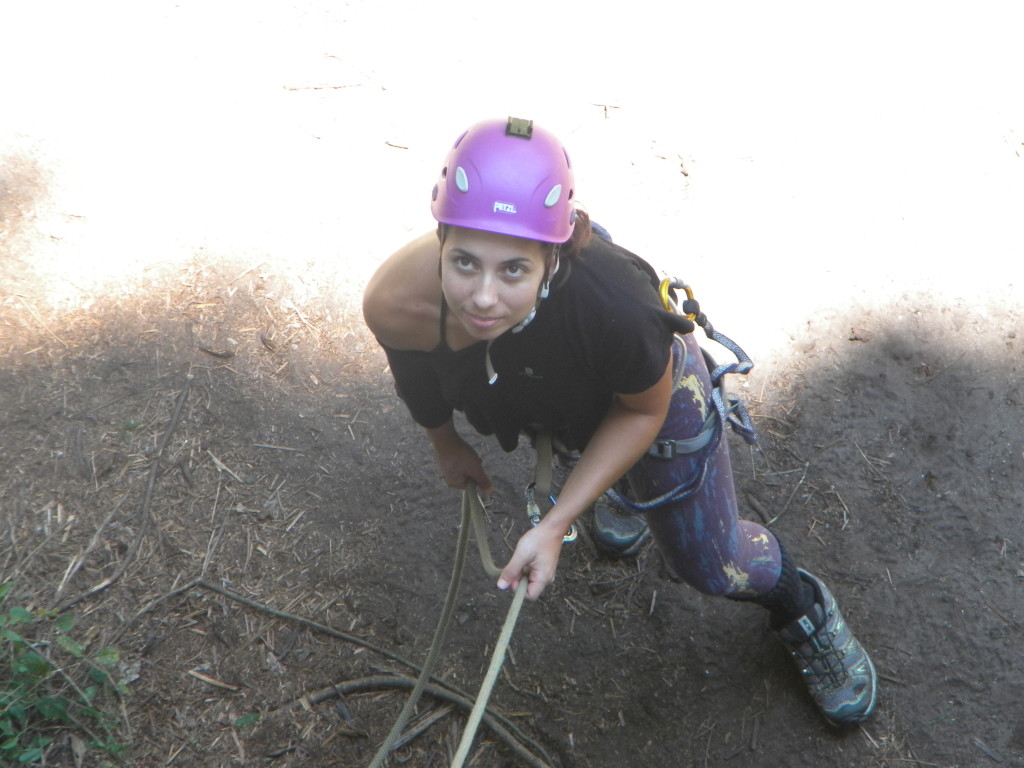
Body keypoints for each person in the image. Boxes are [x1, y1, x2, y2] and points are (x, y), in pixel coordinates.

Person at [362, 117, 877, 726]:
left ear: (549, 255)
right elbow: (417, 376)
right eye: (465, 262)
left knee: (712, 564)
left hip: (647, 396)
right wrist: (445, 444)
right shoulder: (400, 303)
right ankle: (607, 485)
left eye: (513, 270)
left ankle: (802, 605)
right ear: (440, 236)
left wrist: (555, 523)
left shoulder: (616, 308)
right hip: (551, 389)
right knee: (566, 416)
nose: (481, 298)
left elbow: (642, 410)